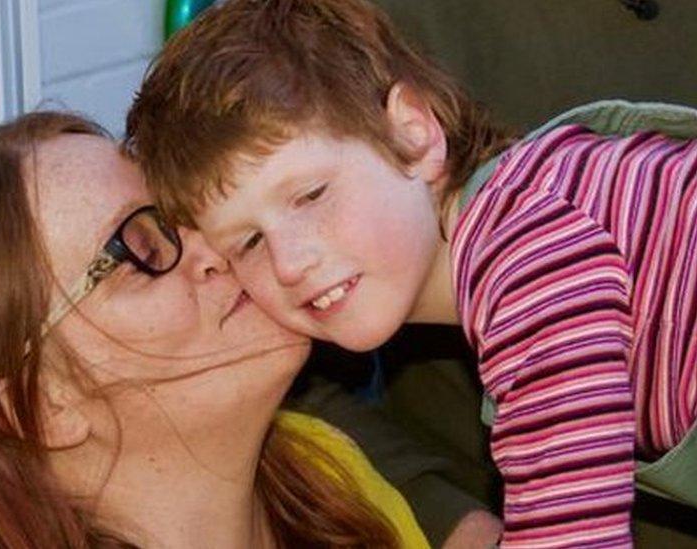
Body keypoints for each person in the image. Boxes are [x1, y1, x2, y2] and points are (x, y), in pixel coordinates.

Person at [123, 0, 697, 546]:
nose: (291, 262)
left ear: (412, 133)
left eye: (311, 195)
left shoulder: (526, 260)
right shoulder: (531, 199)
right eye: (248, 242)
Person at [0, 110, 430, 547]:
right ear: (43, 405)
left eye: (186, 211)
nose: (215, 248)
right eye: (138, 249)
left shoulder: (326, 472)